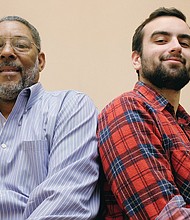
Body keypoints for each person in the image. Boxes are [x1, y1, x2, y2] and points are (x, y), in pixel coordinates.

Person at [0, 15, 99, 219]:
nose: (7, 52)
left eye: (20, 45)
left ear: (41, 61)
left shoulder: (70, 106)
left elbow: (66, 201)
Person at [98, 7, 190, 219]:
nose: (176, 47)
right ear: (136, 60)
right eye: (161, 40)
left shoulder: (184, 124)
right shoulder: (127, 108)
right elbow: (164, 215)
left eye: (185, 43)